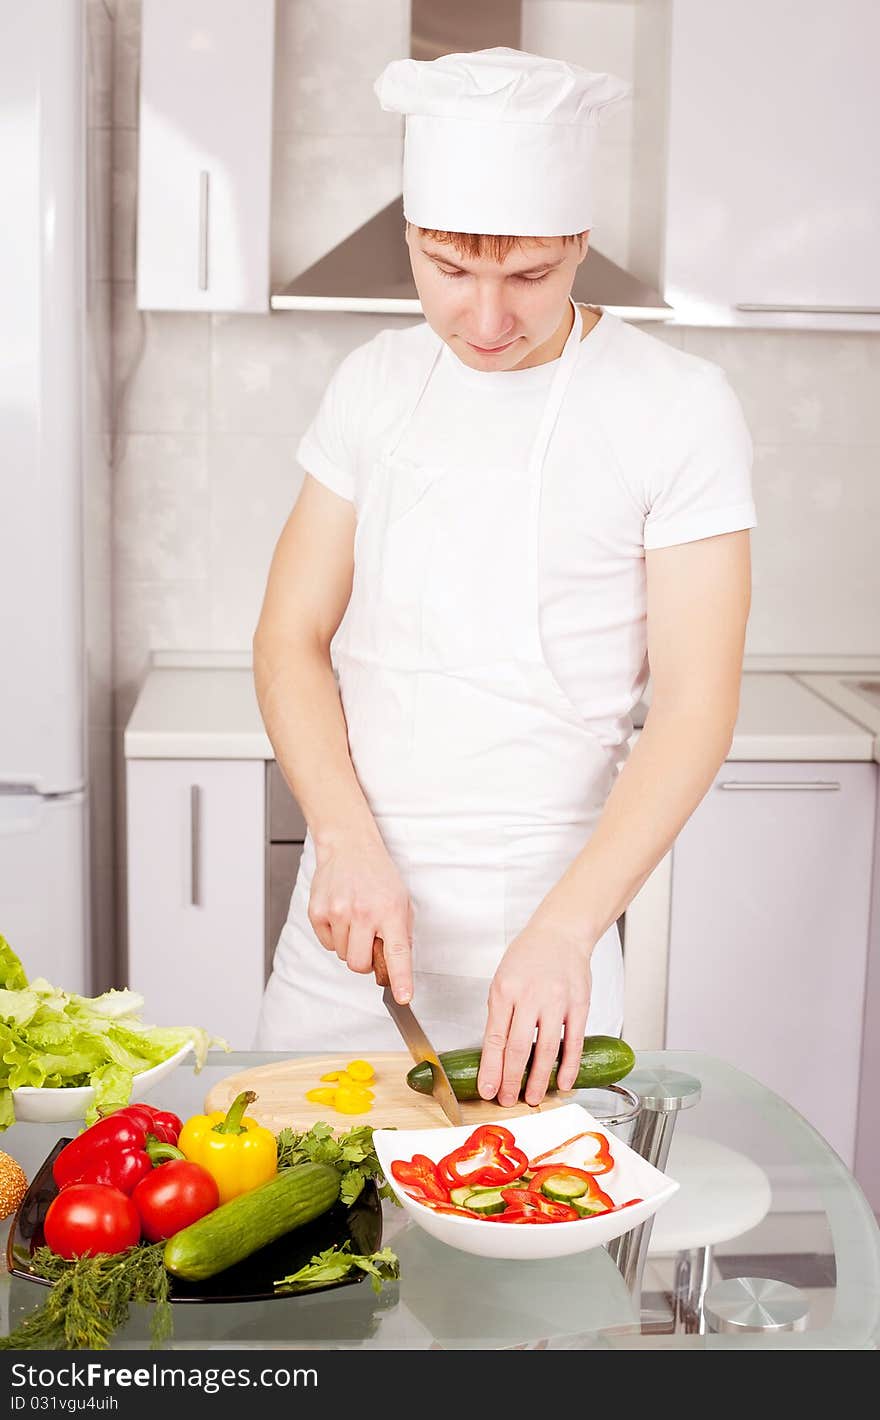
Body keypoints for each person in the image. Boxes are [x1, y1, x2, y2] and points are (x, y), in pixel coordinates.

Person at [253, 48, 755, 1108]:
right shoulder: (373, 384)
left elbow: (696, 706)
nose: (485, 319)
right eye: (446, 267)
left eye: (528, 274)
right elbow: (289, 638)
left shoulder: (674, 406)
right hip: (347, 937)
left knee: (523, 1259)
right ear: (409, 240)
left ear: (578, 242)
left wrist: (570, 929)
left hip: (543, 962)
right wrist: (341, 839)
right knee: (305, 1246)